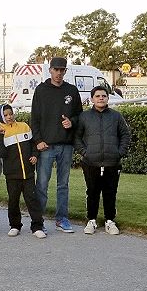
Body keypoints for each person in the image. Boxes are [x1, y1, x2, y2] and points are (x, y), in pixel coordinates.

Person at [30, 56, 83, 233]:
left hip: (66, 145)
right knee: (42, 184)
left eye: (62, 70)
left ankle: (61, 219)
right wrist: (38, 141)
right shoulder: (41, 90)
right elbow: (34, 119)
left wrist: (71, 122)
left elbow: (80, 116)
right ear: (50, 70)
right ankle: (39, 221)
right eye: (56, 69)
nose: (59, 73)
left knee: (63, 184)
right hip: (46, 146)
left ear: (65, 71)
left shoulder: (72, 91)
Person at [75, 86, 131, 236]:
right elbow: (77, 137)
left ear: (108, 98)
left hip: (112, 162)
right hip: (90, 162)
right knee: (92, 192)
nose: (101, 98)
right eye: (98, 96)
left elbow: (125, 135)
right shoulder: (84, 117)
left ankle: (109, 221)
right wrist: (84, 152)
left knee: (110, 192)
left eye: (104, 96)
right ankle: (91, 220)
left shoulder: (116, 116)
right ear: (92, 99)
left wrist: (119, 152)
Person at [0, 104, 46, 238]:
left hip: (28, 173)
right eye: (5, 115)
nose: (9, 117)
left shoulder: (24, 126)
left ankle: (37, 226)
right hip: (12, 175)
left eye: (10, 113)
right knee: (13, 201)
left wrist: (35, 155)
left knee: (32, 200)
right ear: (1, 117)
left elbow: (33, 144)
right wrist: (0, 136)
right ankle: (15, 225)